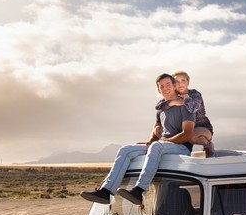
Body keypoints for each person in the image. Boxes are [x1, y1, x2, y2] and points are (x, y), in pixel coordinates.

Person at [80, 73, 195, 205]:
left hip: (181, 147)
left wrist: (160, 143)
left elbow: (187, 135)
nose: (165, 88)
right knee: (126, 150)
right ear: (158, 90)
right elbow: (157, 126)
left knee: (156, 146)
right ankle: (106, 191)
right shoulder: (161, 108)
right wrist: (151, 141)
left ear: (175, 86)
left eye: (168, 84)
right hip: (162, 146)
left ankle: (139, 190)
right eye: (161, 86)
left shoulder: (186, 106)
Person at [155, 70, 214, 157]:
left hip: (202, 127)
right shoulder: (174, 97)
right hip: (185, 128)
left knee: (190, 136)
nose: (180, 84)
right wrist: (172, 102)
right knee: (161, 130)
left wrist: (185, 99)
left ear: (188, 82)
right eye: (177, 82)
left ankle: (207, 145)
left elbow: (193, 108)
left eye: (183, 80)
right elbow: (159, 106)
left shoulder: (194, 94)